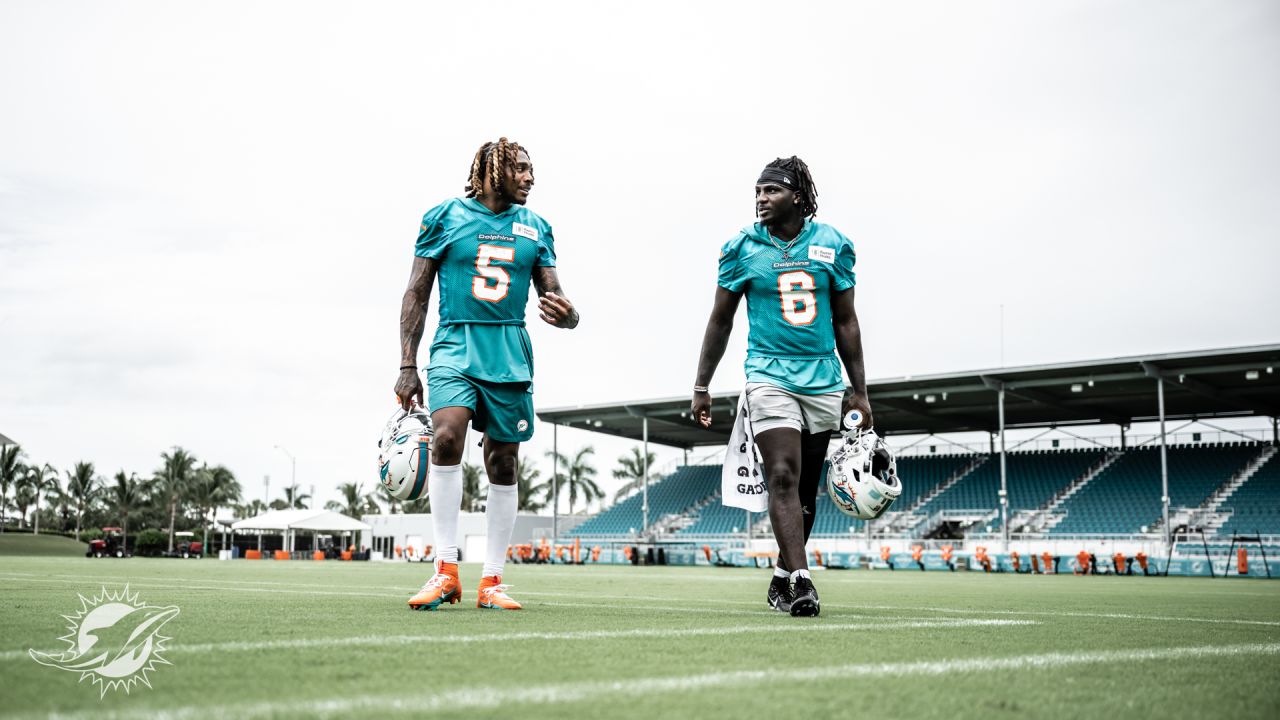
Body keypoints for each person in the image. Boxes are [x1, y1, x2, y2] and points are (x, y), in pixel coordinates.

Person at [396, 138, 579, 611]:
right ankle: (445, 570)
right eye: (520, 169)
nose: (530, 177)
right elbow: (416, 293)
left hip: (509, 350)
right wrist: (407, 364)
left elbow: (553, 290)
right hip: (455, 343)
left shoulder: (536, 227)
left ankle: (492, 581)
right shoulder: (443, 217)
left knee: (503, 463)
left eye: (531, 170)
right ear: (494, 171)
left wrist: (569, 315)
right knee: (446, 437)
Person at [691, 156, 871, 617]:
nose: (761, 200)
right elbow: (720, 320)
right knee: (782, 476)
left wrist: (859, 391)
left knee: (807, 489)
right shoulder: (742, 248)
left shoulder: (834, 244)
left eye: (771, 191)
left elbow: (846, 321)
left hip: (823, 379)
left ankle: (781, 576)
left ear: (797, 195)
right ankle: (804, 581)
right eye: (758, 192)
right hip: (768, 375)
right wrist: (702, 385)